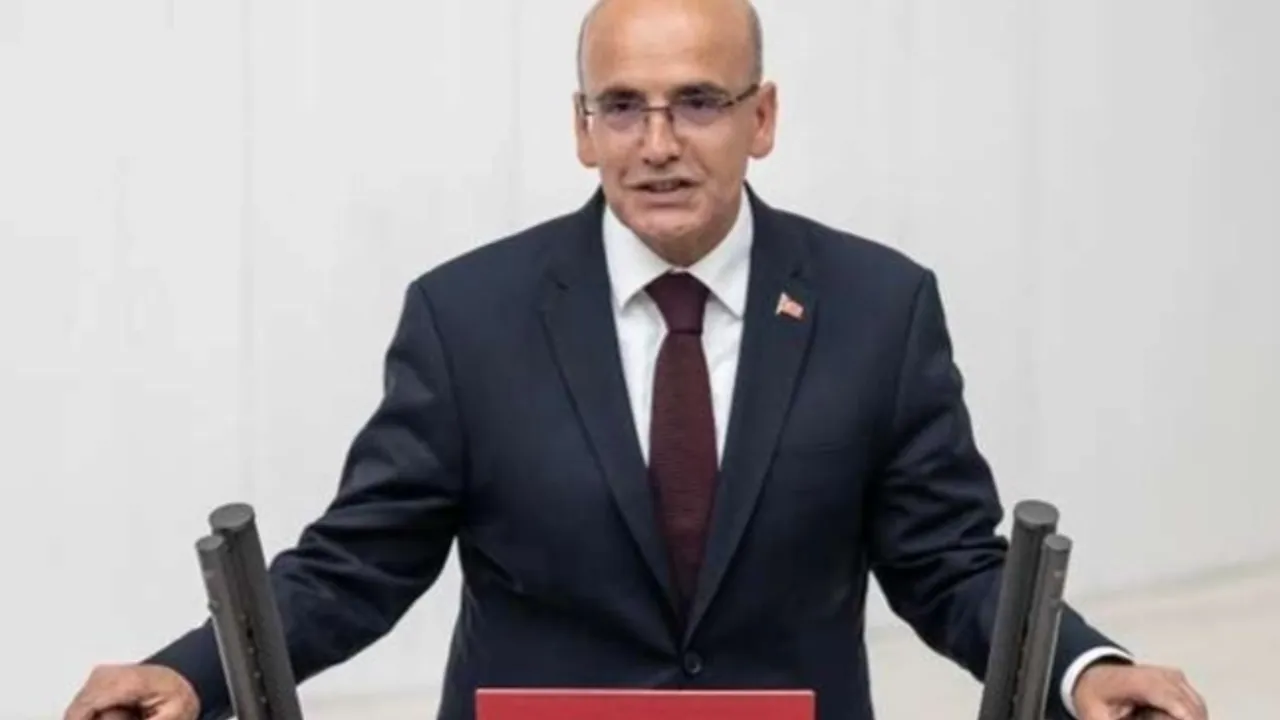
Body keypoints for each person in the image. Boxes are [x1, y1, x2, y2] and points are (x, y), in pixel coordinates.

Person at [64, 1, 1210, 719]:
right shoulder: (467, 318)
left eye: (697, 103)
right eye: (621, 107)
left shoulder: (878, 308)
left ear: (762, 118)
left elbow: (948, 562)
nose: (657, 144)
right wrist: (193, 672)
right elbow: (355, 565)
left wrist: (1083, 669)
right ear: (582, 128)